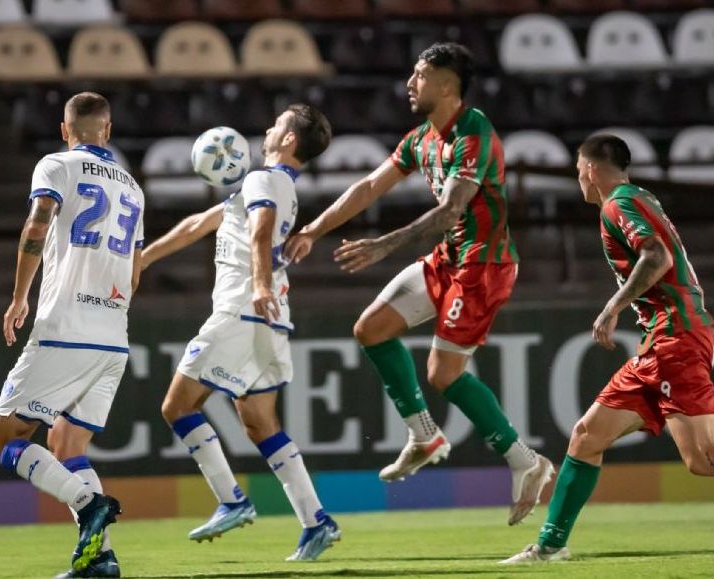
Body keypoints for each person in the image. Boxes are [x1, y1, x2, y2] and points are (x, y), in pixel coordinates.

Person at [284, 42, 553, 526]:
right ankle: (425, 435)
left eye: (421, 75)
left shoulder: (474, 133)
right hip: (447, 260)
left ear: (447, 85)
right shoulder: (420, 139)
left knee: (442, 375)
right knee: (371, 329)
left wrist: (383, 245)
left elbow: (452, 209)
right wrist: (313, 229)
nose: (410, 84)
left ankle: (525, 461)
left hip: (482, 266)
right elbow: (366, 188)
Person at [501, 134, 714, 564]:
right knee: (586, 436)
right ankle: (550, 545)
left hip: (677, 339)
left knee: (702, 459)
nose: (577, 176)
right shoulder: (640, 197)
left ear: (591, 169)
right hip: (660, 343)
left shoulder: (619, 204)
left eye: (579, 168)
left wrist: (612, 307)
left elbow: (657, 258)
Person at [141, 104, 340, 561]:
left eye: (278, 124)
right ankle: (316, 521)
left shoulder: (261, 180)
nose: (269, 127)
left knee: (177, 406)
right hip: (271, 319)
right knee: (260, 423)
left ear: (289, 139)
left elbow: (260, 231)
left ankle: (232, 500)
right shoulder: (272, 184)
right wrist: (144, 258)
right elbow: (199, 224)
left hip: (241, 311)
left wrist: (260, 284)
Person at [0, 92, 145, 578]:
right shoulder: (134, 188)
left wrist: (19, 297)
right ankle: (101, 559)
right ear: (108, 131)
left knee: (4, 440)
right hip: (113, 336)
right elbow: (134, 273)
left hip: (65, 329)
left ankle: (87, 502)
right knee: (68, 445)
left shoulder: (56, 165)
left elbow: (38, 223)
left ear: (65, 129)